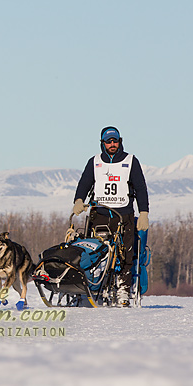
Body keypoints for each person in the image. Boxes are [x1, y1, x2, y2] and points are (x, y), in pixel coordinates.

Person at [73, 126, 150, 307]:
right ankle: (95, 287)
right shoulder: (95, 162)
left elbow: (140, 188)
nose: (112, 144)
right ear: (103, 144)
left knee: (125, 254)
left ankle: (123, 289)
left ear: (120, 141)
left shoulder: (131, 161)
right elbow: (84, 183)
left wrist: (144, 212)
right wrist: (78, 200)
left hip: (124, 214)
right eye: (109, 141)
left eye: (115, 141)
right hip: (99, 214)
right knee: (95, 253)